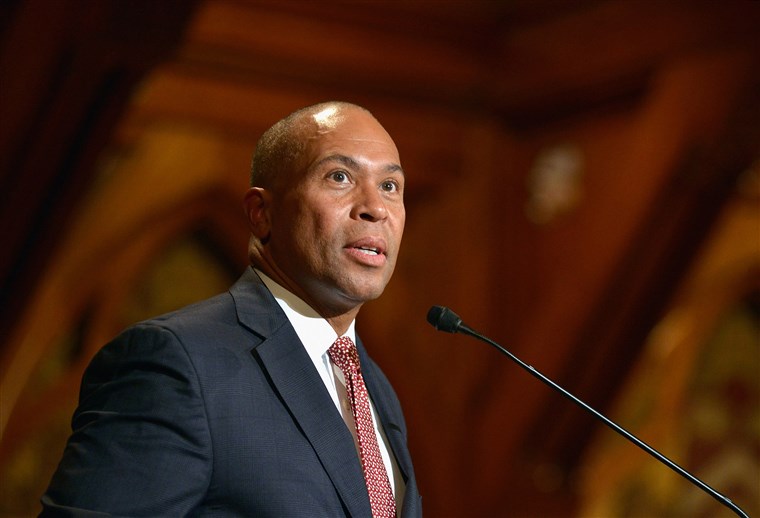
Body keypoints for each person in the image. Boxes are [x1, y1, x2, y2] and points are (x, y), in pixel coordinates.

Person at [41, 101, 421, 517]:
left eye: (390, 186)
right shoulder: (177, 364)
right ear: (261, 214)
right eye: (339, 176)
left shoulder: (373, 387)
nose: (375, 207)